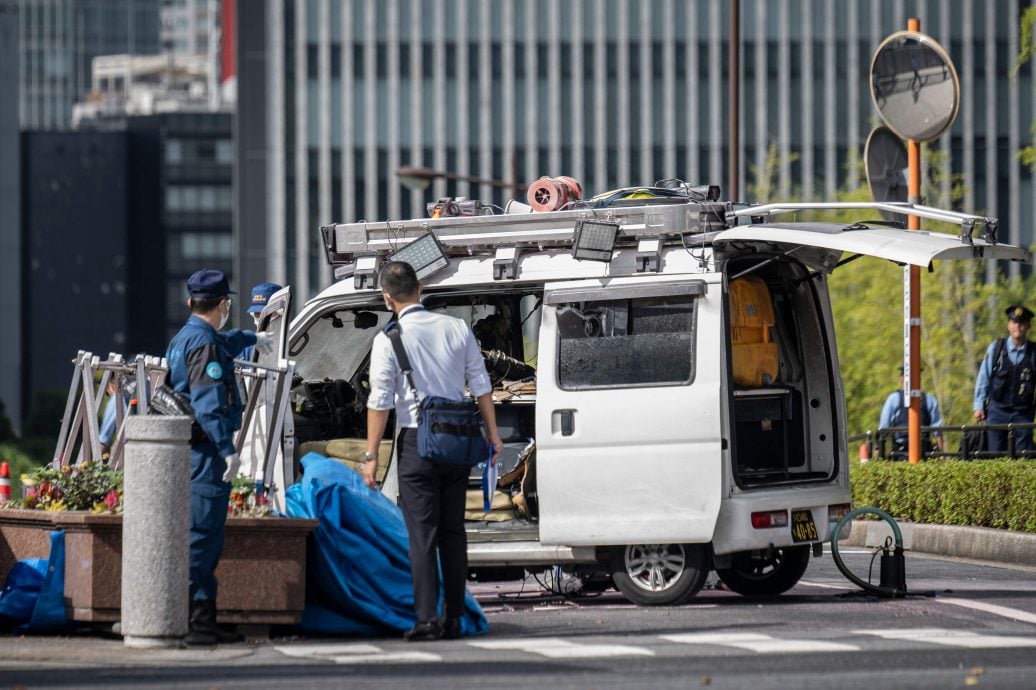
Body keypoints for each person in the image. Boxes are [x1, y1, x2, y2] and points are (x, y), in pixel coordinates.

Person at [364, 261, 503, 642]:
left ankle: (427, 619)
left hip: (416, 443)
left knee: (421, 534)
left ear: (386, 298)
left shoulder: (388, 338)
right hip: (458, 438)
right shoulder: (456, 327)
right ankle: (455, 617)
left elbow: (380, 401)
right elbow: (480, 382)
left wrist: (371, 455)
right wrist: (493, 435)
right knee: (453, 532)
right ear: (421, 288)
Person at [165, 269, 273, 646]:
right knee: (202, 536)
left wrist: (252, 337)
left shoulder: (186, 337)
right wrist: (228, 452)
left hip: (190, 452)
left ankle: (205, 617)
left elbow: (223, 342)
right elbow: (209, 406)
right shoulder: (205, 345)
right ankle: (197, 623)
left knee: (201, 535)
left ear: (190, 302)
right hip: (206, 453)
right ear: (224, 304)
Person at [973, 304, 1036, 454]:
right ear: (1008, 325)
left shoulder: (1033, 352)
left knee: (1024, 455)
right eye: (1014, 322)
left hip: (1023, 413)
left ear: (1028, 326)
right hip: (997, 410)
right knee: (994, 454)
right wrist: (979, 405)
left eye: (1021, 323)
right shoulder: (997, 348)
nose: (1017, 326)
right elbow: (984, 377)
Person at [878, 366, 944, 458]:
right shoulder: (930, 400)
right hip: (922, 453)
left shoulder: (893, 399)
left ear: (901, 379)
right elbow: (937, 431)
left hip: (903, 453)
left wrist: (878, 453)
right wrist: (941, 454)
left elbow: (883, 428)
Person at [239, 282, 283, 361]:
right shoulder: (246, 345)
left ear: (280, 312)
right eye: (257, 314)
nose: (262, 318)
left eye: (266, 314)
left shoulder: (294, 338)